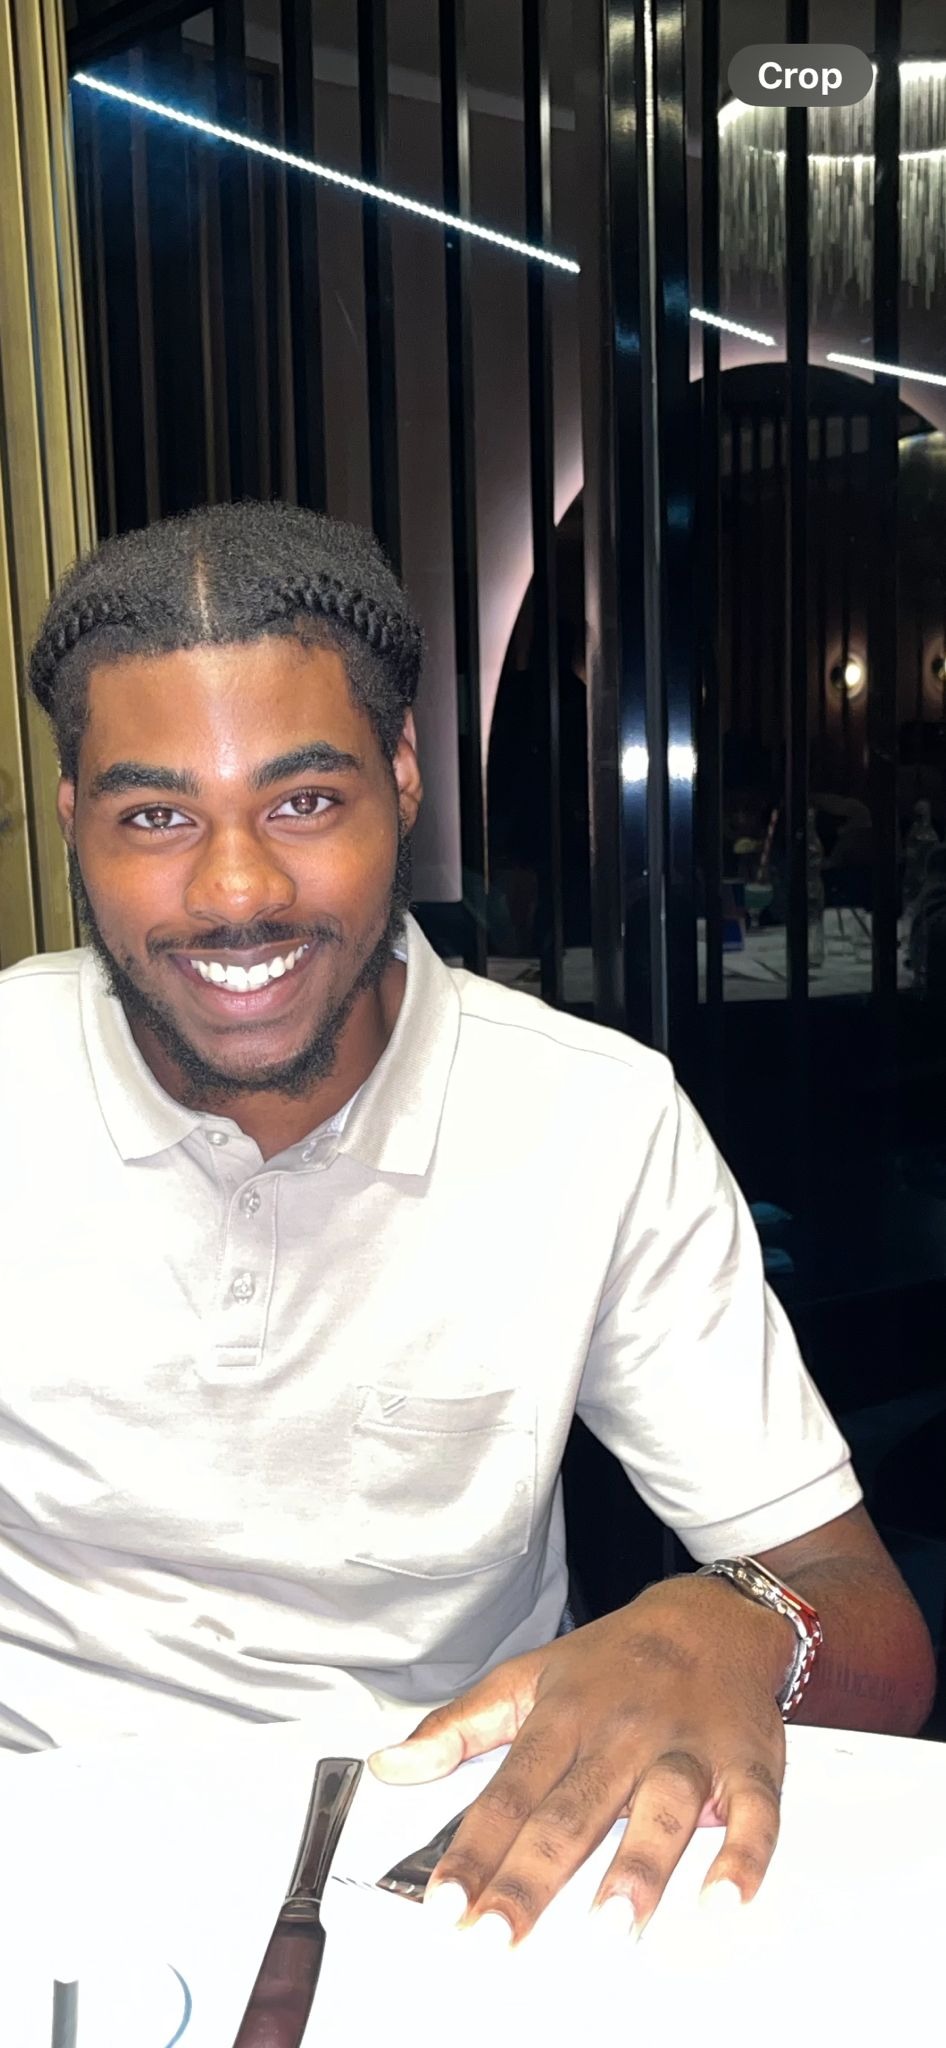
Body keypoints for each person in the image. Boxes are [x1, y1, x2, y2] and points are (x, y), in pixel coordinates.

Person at [2, 502, 934, 1952]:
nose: (237, 889)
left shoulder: (593, 1121)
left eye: (304, 801)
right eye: (157, 817)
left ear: (402, 776)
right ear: (74, 821)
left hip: (452, 1864)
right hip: (42, 1847)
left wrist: (743, 1625)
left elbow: (873, 1630)